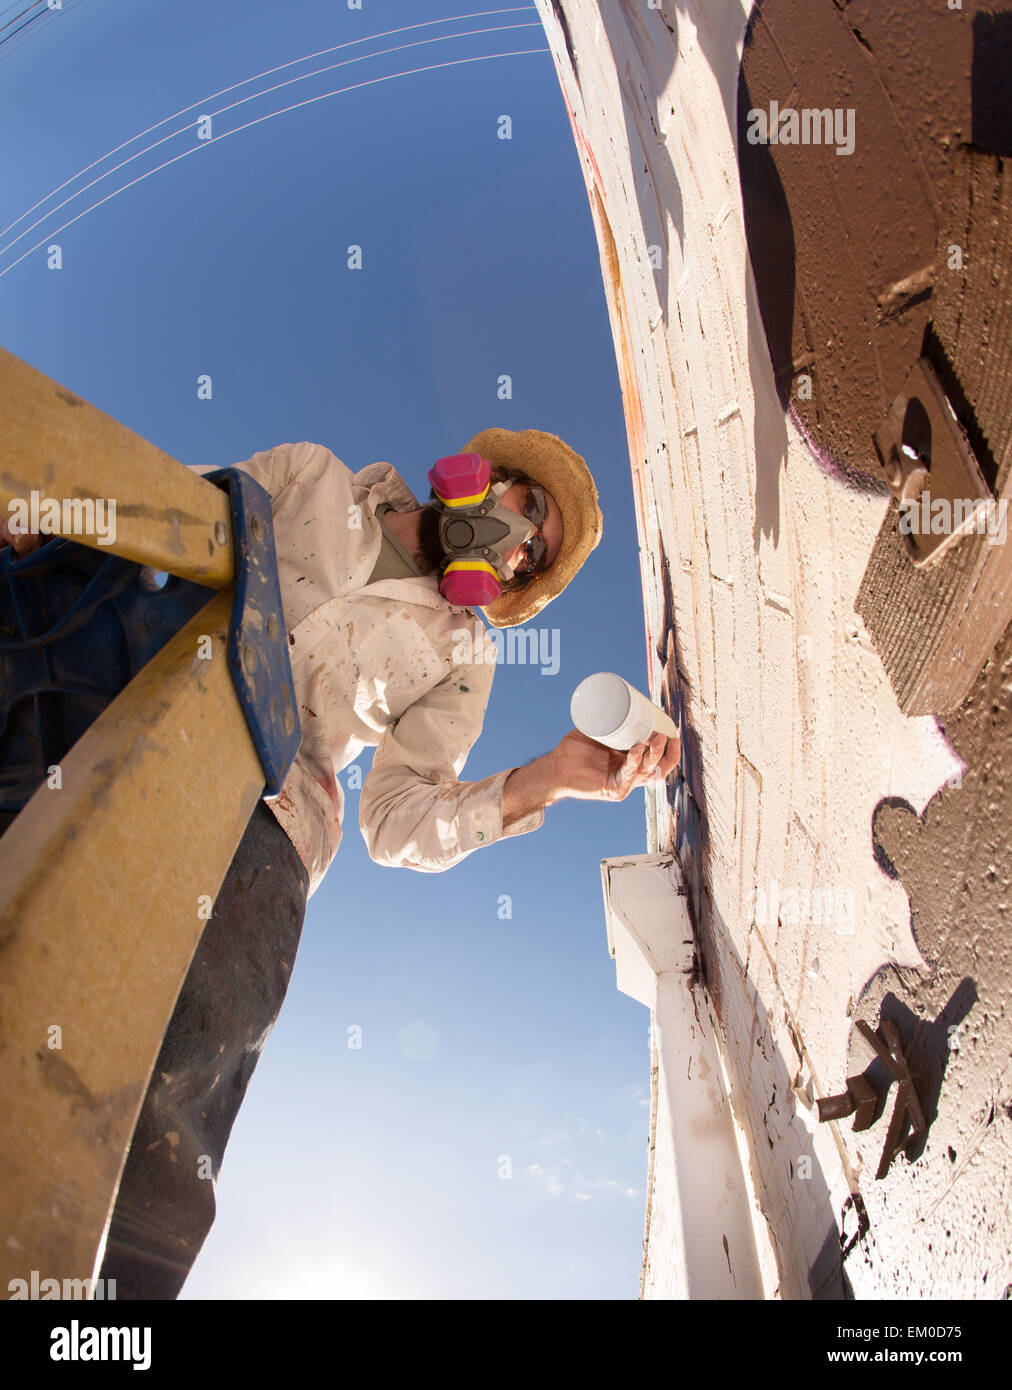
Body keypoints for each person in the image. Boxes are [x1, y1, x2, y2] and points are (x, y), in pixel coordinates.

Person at [0, 426, 681, 1297]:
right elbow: (174, 515)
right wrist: (53, 521)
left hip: (268, 809)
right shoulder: (313, 476)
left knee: (186, 1067)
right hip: (116, 681)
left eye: (532, 564)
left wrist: (538, 781)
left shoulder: (465, 653)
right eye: (531, 515)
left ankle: (99, 1314)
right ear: (492, 480)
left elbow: (397, 822)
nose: (519, 551)